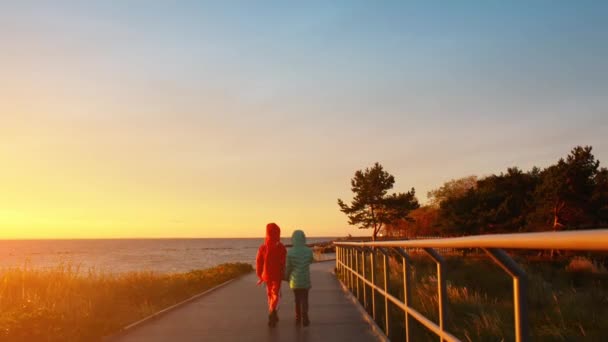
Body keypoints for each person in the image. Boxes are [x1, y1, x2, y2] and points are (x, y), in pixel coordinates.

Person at [256, 222, 287, 327]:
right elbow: (283, 262)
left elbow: (259, 262)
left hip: (266, 276)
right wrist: (283, 273)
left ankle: (272, 312)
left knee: (269, 294)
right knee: (276, 294)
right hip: (277, 275)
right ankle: (272, 312)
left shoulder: (262, 247)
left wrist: (259, 275)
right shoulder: (281, 247)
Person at [285, 229, 314, 327]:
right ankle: (305, 316)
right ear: (303, 238)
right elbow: (311, 260)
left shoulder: (290, 252)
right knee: (305, 299)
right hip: (305, 279)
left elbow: (288, 267)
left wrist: (286, 277)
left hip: (295, 280)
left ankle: (298, 317)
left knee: (297, 299)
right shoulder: (308, 251)